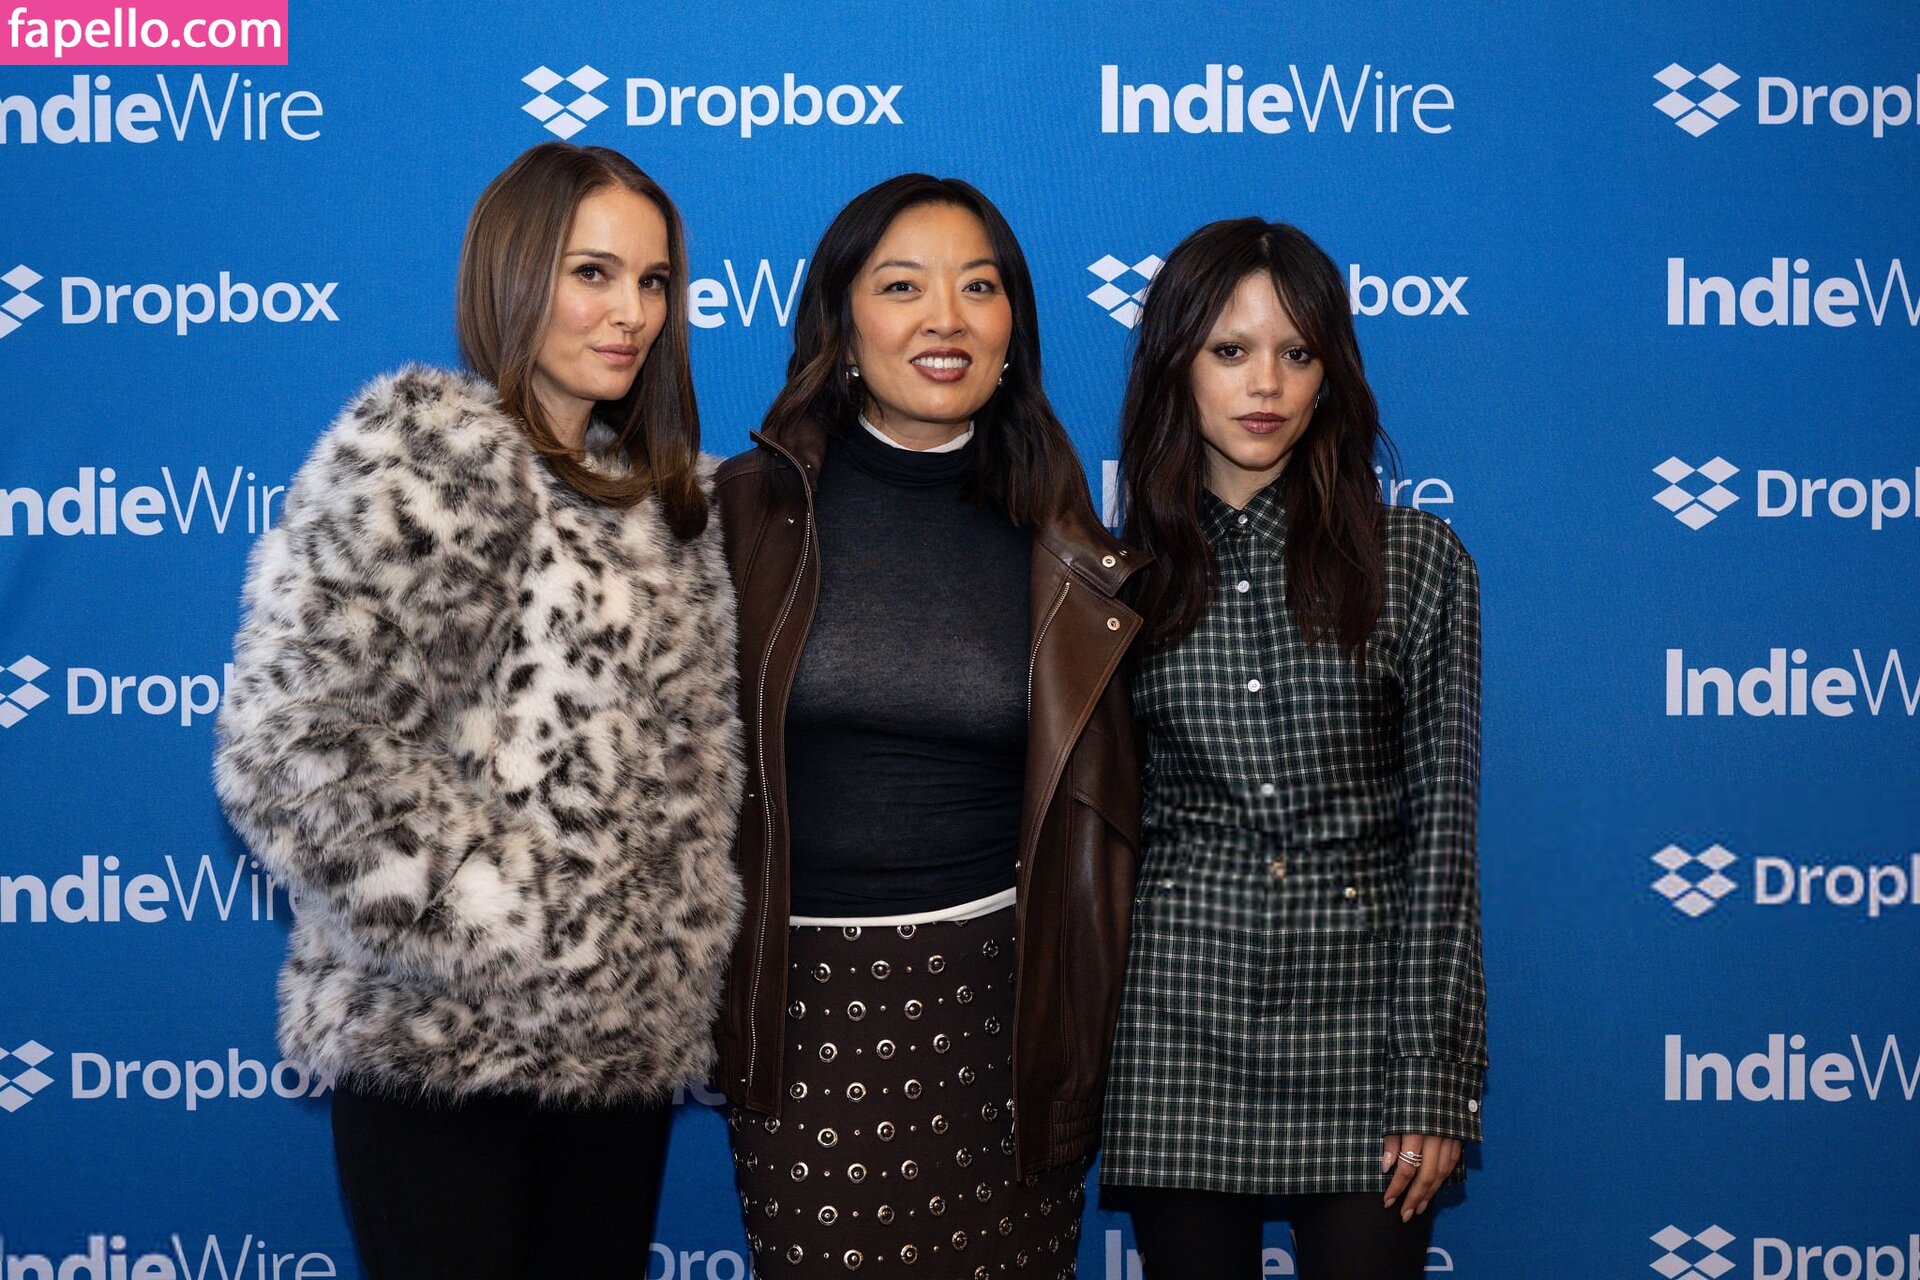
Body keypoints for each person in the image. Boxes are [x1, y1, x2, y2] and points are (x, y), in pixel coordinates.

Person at [212, 141, 743, 1280]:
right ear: (514, 274)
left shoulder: (667, 507)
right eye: (593, 273)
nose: (633, 312)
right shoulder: (433, 456)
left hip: (617, 1064)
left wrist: (627, 968)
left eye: (653, 280)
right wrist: (517, 932)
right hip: (443, 1049)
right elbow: (293, 746)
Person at [712, 174, 1144, 1280]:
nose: (946, 318)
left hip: (1008, 1015)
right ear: (843, 323)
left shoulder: (1069, 544)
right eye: (903, 286)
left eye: (979, 287)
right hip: (801, 1012)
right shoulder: (741, 514)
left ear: (1013, 329)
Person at [1101, 218, 1486, 1279]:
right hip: (1177, 1012)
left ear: (1331, 375)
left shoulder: (1417, 561)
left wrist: (1432, 1076)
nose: (1264, 382)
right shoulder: (1118, 581)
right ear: (1176, 364)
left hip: (1367, 1023)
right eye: (1230, 349)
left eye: (1297, 351)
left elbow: (1443, 843)